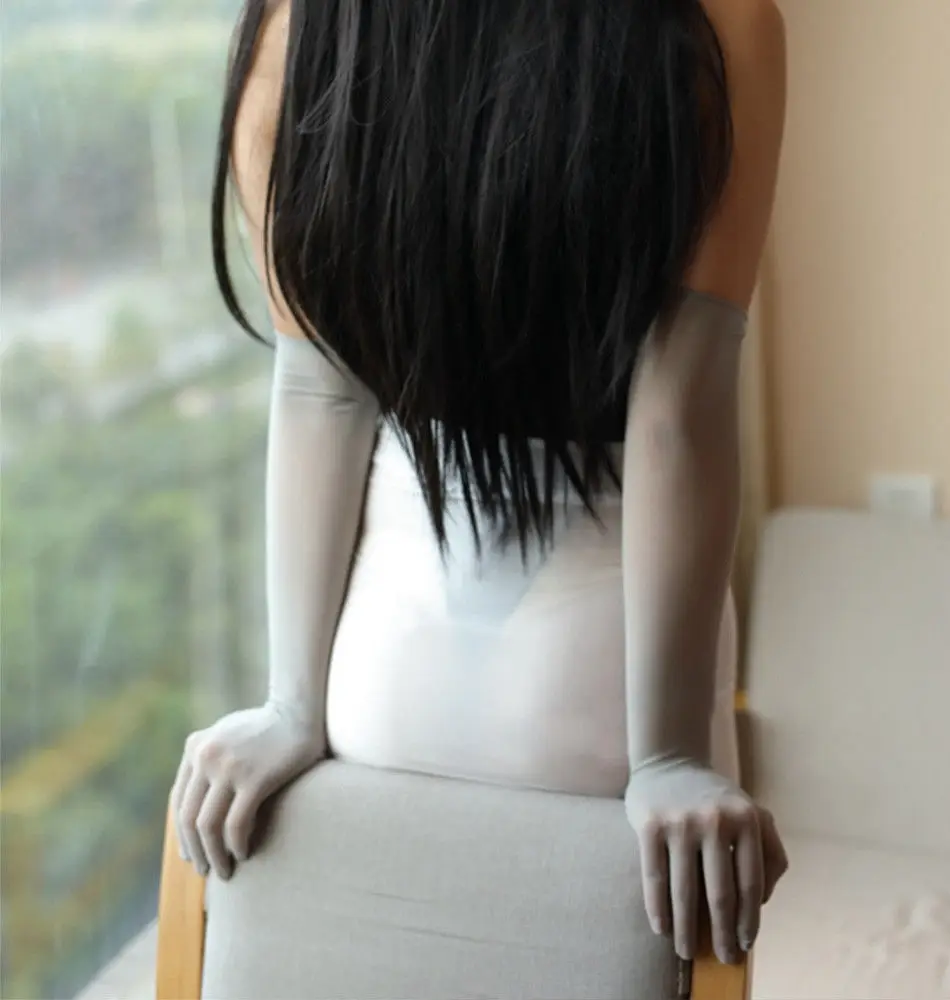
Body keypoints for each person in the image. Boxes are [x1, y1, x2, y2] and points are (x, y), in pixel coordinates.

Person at [171, 0, 789, 972]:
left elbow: (319, 386)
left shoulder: (302, 19)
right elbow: (677, 409)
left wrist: (291, 704)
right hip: (610, 674)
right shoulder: (723, 18)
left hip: (375, 664)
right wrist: (669, 756)